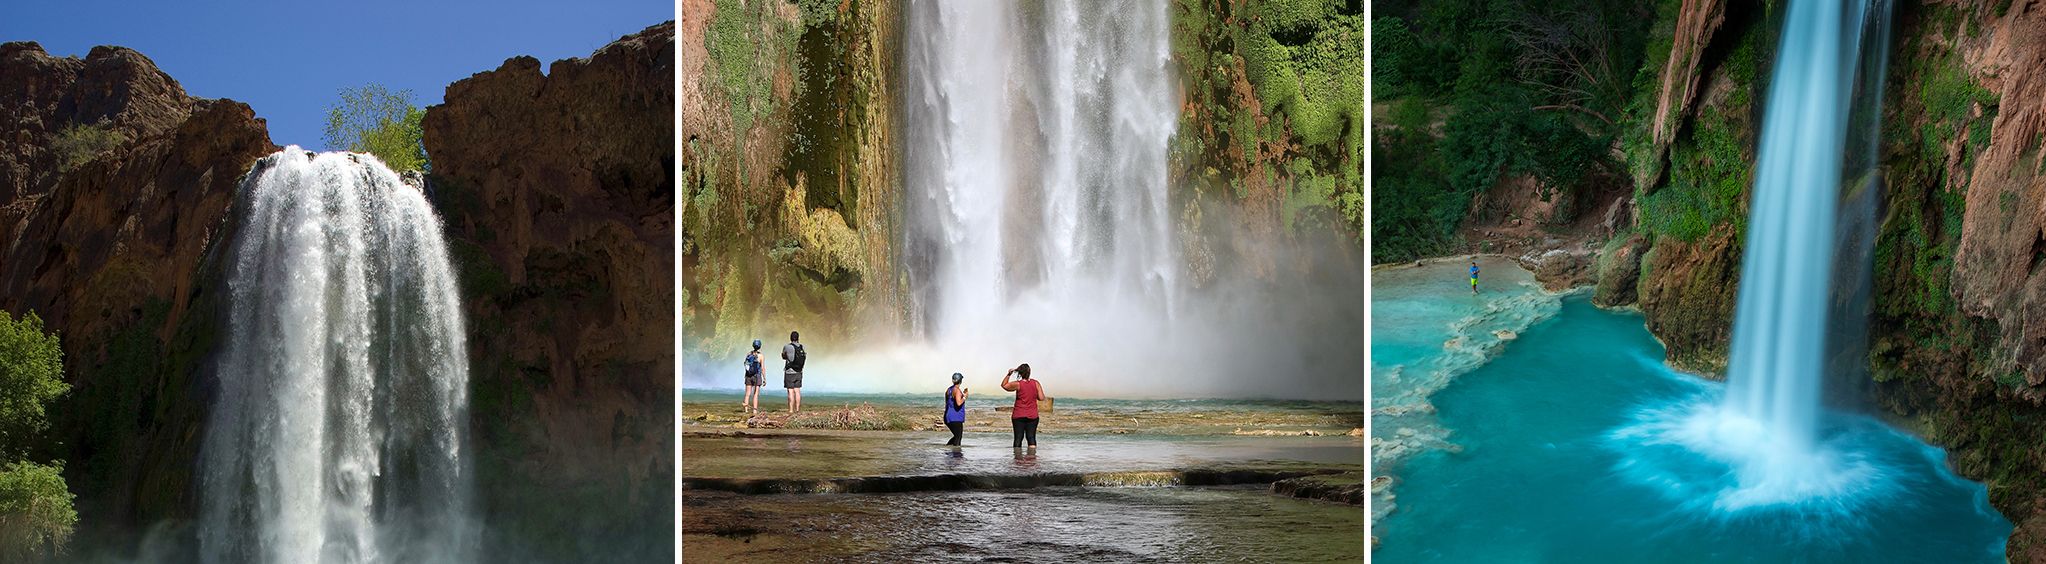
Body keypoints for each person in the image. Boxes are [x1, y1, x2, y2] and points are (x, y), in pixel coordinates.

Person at [1000, 363, 1048, 449]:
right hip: (1033, 415)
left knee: (1018, 438)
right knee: (1031, 437)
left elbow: (1004, 385)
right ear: (1029, 372)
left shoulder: (1018, 384)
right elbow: (1041, 398)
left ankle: (1017, 459)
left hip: (1019, 415)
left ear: (1020, 373)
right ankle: (1032, 459)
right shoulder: (1036, 383)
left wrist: (1008, 374)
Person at [782, 331, 806, 413]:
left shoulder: (787, 347)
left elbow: (783, 356)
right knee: (797, 391)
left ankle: (791, 410)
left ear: (791, 338)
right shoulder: (802, 347)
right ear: (798, 338)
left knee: (790, 391)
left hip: (790, 372)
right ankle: (798, 409)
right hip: (799, 371)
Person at [943, 372, 967, 446]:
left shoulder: (948, 390)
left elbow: (948, 403)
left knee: (956, 436)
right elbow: (959, 403)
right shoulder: (957, 390)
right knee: (958, 437)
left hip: (948, 417)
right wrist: (965, 397)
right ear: (960, 381)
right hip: (955, 417)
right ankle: (957, 455)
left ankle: (948, 449)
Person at [742, 340, 765, 414]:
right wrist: (764, 378)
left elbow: (745, 364)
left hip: (748, 376)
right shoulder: (761, 356)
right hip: (757, 376)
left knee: (747, 394)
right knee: (755, 394)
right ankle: (754, 410)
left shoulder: (748, 354)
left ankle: (746, 410)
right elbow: (762, 368)